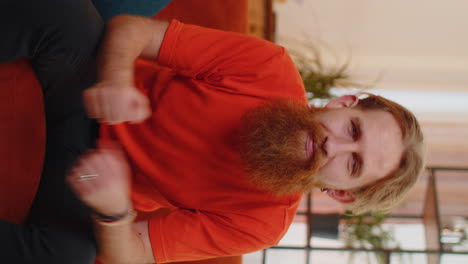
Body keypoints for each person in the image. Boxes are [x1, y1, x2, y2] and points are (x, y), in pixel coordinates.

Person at [0, 1, 425, 264]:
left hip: (89, 181)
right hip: (89, 90)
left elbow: (135, 253)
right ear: (345, 103)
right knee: (67, 14)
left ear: (342, 194)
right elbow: (131, 30)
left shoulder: (264, 225)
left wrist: (112, 210)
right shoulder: (270, 68)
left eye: (353, 163)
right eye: (353, 130)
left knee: (69, 255)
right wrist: (114, 80)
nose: (336, 144)